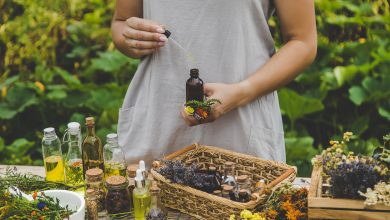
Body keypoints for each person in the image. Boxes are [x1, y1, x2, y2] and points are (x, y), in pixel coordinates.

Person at [111, 0, 317, 165]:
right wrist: (131, 37)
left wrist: (241, 92)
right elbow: (121, 22)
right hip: (155, 129)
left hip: (240, 137)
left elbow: (303, 41)